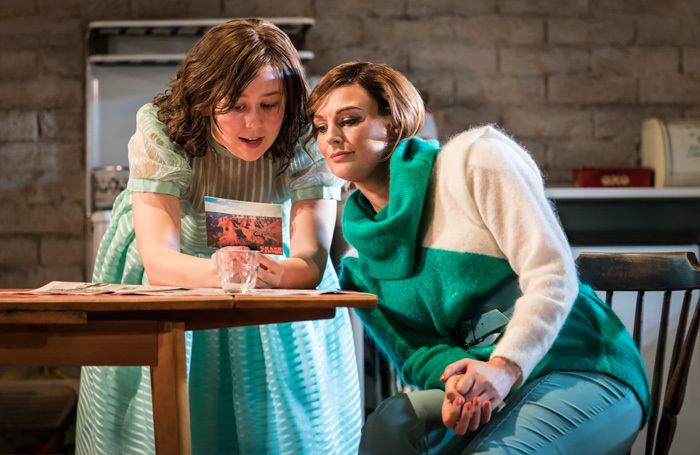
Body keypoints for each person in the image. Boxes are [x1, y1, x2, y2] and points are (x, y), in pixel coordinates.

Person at [305, 61, 651, 455]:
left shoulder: (474, 160)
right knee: (393, 422)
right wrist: (457, 381)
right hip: (486, 388)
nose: (331, 137)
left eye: (349, 120)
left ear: (395, 122)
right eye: (320, 126)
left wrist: (504, 368)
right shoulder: (357, 267)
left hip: (582, 364)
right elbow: (420, 352)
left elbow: (552, 273)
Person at [75, 19, 362, 455]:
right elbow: (158, 260)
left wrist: (265, 272)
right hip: (173, 278)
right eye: (235, 105)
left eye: (270, 104)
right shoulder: (164, 129)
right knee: (167, 422)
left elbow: (310, 261)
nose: (254, 123)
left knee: (281, 426)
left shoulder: (305, 134)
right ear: (206, 97)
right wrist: (222, 269)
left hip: (272, 278)